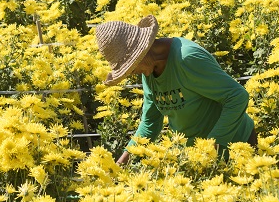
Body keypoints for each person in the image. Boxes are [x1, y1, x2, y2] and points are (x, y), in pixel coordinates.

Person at [95, 15, 256, 165]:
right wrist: (121, 163)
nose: (130, 74)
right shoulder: (150, 70)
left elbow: (237, 97)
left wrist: (212, 147)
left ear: (142, 52)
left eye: (129, 67)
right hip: (195, 157)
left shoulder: (187, 58)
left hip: (237, 148)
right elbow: (150, 123)